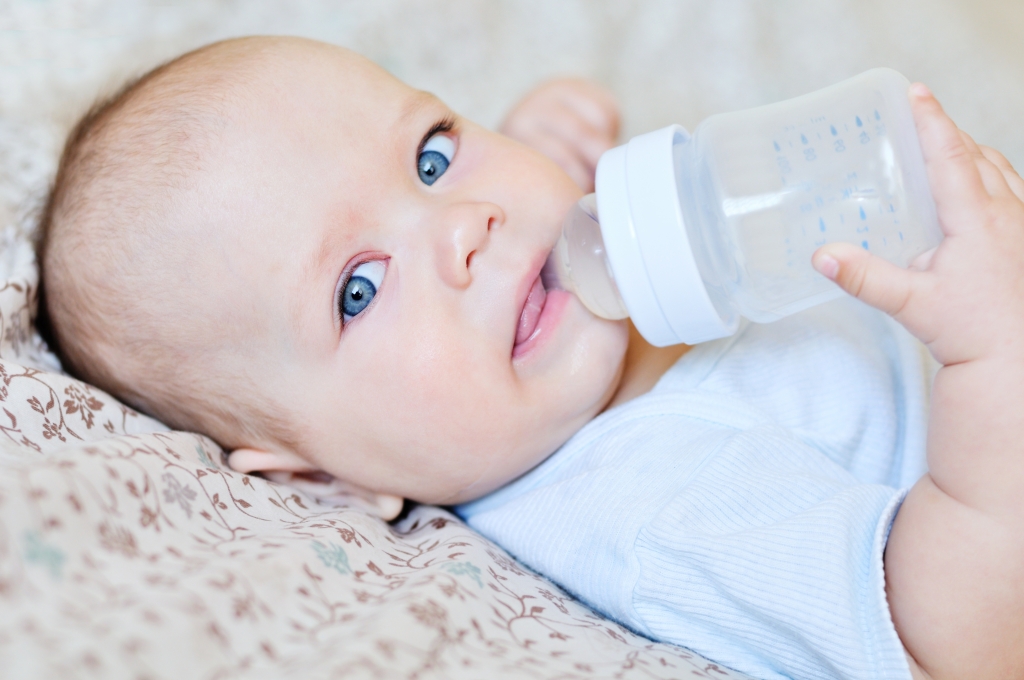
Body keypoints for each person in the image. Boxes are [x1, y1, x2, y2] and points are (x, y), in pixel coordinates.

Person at [35, 36, 1024, 680]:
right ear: (323, 479)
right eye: (357, 290)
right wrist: (996, 345)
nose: (466, 226)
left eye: (430, 152)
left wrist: (531, 147)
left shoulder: (537, 332)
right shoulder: (655, 514)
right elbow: (963, 633)